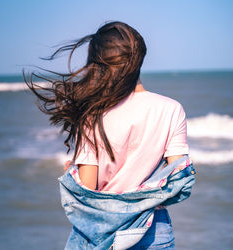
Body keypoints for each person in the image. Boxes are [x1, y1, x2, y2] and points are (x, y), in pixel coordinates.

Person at [24, 21, 193, 249]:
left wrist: (72, 172)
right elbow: (180, 180)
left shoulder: (92, 114)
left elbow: (88, 189)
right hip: (155, 229)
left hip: (102, 232)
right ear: (139, 57)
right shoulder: (171, 108)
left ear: (98, 62)